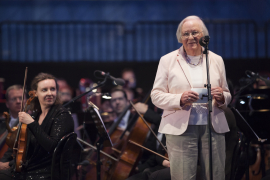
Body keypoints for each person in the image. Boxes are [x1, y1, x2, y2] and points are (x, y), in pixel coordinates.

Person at [151, 15, 231, 180]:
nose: (190, 37)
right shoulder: (167, 61)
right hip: (180, 129)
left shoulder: (216, 60)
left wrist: (222, 97)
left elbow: (227, 93)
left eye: (195, 32)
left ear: (203, 35)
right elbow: (156, 96)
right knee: (183, 177)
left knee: (216, 176)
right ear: (180, 38)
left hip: (212, 127)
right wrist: (180, 99)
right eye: (186, 34)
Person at [0, 73, 74, 180]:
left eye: (52, 89)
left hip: (46, 172)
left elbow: (53, 148)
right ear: (35, 93)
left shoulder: (62, 115)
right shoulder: (36, 115)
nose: (50, 93)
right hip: (29, 169)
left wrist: (32, 123)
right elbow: (20, 146)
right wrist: (6, 163)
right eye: (44, 90)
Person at [0, 85, 25, 170]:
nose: (18, 101)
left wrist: (7, 164)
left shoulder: (30, 123)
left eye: (21, 98)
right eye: (14, 99)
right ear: (7, 103)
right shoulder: (2, 123)